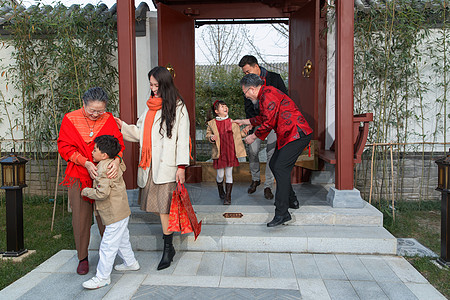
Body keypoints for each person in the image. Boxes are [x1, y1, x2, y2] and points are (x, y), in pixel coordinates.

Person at [117, 66, 190, 270]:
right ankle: (170, 247)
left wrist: (181, 167)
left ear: (165, 85)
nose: (153, 89)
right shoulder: (149, 107)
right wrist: (120, 125)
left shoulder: (178, 107)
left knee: (164, 209)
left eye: (156, 85)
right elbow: (141, 133)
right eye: (151, 85)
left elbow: (183, 139)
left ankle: (168, 249)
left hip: (167, 166)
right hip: (149, 166)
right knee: (160, 210)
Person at [58, 87, 124, 275]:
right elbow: (64, 147)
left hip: (104, 175)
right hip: (79, 173)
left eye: (100, 110)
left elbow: (118, 143)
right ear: (84, 104)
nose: (96, 114)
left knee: (107, 217)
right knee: (80, 219)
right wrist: (85, 163)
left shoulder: (109, 119)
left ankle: (108, 255)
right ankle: (83, 257)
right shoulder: (70, 119)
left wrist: (118, 160)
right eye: (92, 110)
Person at [234, 74, 313, 227]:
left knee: (280, 167)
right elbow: (265, 118)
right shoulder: (266, 94)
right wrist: (245, 121)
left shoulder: (267, 94)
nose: (246, 96)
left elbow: (268, 122)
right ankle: (292, 200)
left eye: (245, 93)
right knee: (275, 164)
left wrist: (254, 136)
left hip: (296, 134)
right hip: (290, 135)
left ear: (251, 89)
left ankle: (282, 213)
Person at [81, 135, 139, 289]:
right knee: (122, 239)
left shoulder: (102, 169)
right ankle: (131, 262)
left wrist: (86, 191)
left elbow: (102, 194)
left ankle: (102, 277)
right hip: (122, 210)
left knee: (108, 245)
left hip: (114, 212)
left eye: (95, 150)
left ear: (104, 155)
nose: (92, 153)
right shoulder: (115, 163)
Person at [238, 55, 288, 200]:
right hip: (258, 121)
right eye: (244, 73)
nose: (246, 75)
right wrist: (250, 124)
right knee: (253, 149)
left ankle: (268, 186)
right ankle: (255, 179)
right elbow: (248, 106)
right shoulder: (247, 83)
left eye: (248, 71)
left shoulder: (275, 78)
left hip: (274, 122)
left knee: (271, 152)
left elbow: (284, 99)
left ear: (256, 66)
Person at [206, 100, 247, 205]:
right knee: (220, 175)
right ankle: (221, 190)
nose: (225, 107)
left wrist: (245, 132)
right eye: (222, 106)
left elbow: (238, 135)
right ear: (216, 111)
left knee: (229, 174)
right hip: (220, 152)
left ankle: (228, 197)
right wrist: (211, 137)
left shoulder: (232, 122)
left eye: (226, 105)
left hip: (230, 151)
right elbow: (207, 135)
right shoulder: (211, 123)